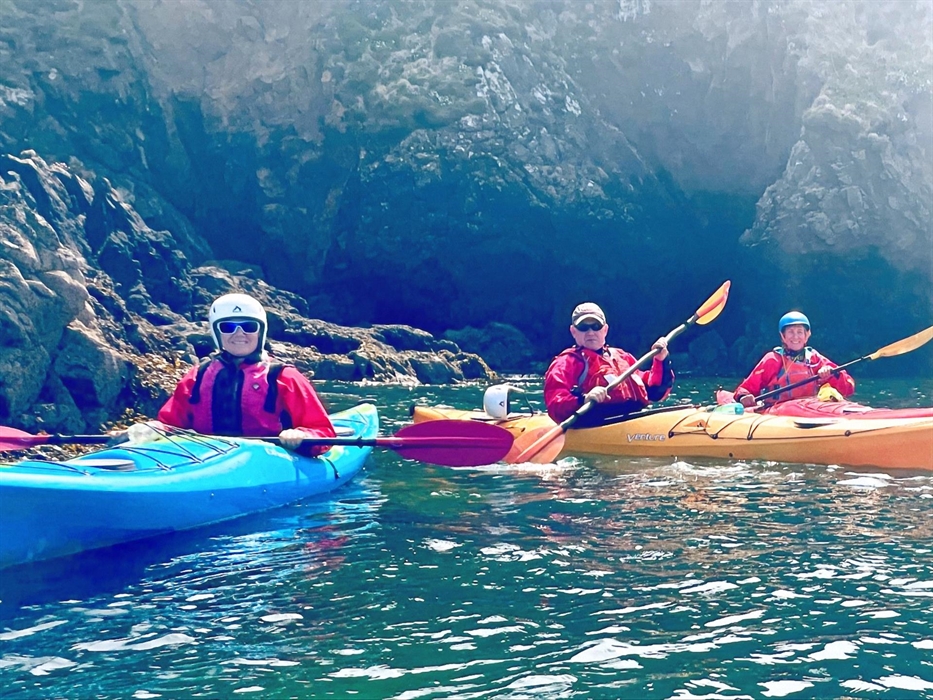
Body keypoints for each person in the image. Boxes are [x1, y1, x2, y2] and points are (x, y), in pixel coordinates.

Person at [157, 293, 335, 454]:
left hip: (271, 459)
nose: (239, 334)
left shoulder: (284, 377)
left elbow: (323, 432)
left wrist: (301, 435)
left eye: (248, 326)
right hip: (209, 458)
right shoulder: (198, 376)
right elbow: (169, 424)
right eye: (228, 327)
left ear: (261, 331)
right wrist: (154, 428)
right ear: (217, 332)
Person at [543, 302, 674, 425]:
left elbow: (656, 392)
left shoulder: (623, 357)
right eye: (583, 327)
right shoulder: (565, 363)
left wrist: (660, 360)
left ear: (605, 330)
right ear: (573, 331)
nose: (590, 333)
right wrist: (584, 399)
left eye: (596, 326)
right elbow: (555, 404)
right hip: (595, 424)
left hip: (634, 420)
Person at [733, 311, 855, 409]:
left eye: (800, 332)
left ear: (807, 335)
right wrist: (743, 396)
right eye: (790, 332)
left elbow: (848, 388)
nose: (795, 337)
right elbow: (746, 388)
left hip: (810, 409)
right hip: (778, 411)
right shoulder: (772, 360)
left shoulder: (815, 359)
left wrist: (832, 374)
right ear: (783, 336)